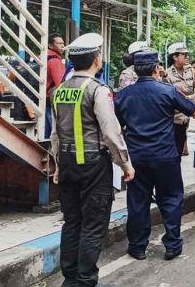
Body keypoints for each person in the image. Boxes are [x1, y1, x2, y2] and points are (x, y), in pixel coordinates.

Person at [50, 33, 135, 287]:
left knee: (72, 222)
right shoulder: (98, 90)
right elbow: (111, 132)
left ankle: (70, 279)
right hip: (93, 165)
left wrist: (56, 167)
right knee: (93, 225)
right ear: (97, 60)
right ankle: (86, 280)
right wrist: (125, 164)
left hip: (66, 163)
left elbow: (55, 133)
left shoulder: (60, 91)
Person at [115, 51, 195, 261]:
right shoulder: (167, 91)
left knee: (137, 201)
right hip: (165, 156)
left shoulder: (124, 95)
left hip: (136, 158)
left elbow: (116, 126)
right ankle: (172, 245)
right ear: (156, 69)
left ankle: (137, 247)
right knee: (171, 199)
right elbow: (194, 111)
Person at [165, 42, 195, 157]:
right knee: (174, 154)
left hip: (186, 119)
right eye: (184, 55)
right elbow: (171, 98)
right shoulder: (167, 75)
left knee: (179, 152)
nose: (187, 57)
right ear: (175, 57)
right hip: (174, 121)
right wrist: (192, 98)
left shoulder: (191, 70)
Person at [45, 34, 66, 138]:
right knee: (53, 131)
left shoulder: (44, 57)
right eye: (59, 43)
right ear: (50, 45)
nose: (62, 46)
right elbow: (61, 84)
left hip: (43, 98)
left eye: (63, 43)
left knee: (45, 129)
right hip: (50, 99)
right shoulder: (55, 61)